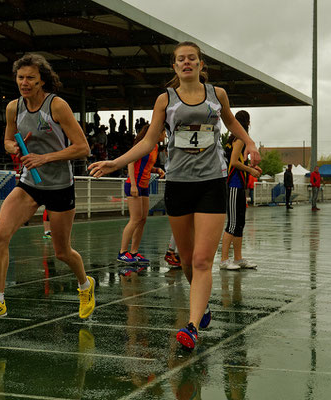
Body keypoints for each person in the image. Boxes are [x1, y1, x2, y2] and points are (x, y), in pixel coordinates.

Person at [88, 41, 260, 349]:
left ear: (200, 64)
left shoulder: (216, 94)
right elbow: (150, 140)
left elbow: (231, 122)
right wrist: (117, 161)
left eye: (192, 58)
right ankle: (201, 303)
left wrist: (249, 143)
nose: (187, 63)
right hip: (179, 183)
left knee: (204, 258)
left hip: (212, 182)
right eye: (181, 59)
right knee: (185, 258)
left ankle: (191, 326)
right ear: (174, 66)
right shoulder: (164, 100)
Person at [0, 53, 95, 322]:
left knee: (62, 252)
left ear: (42, 80)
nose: (24, 82)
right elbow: (7, 139)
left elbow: (83, 148)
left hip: (60, 185)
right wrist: (11, 146)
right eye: (20, 77)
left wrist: (45, 157)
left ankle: (85, 286)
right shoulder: (13, 108)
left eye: (30, 77)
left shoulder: (58, 106)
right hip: (30, 183)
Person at [117, 124, 166, 265]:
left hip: (144, 186)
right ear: (158, 132)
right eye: (164, 132)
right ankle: (122, 252)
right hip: (135, 185)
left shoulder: (155, 147)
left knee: (142, 219)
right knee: (135, 219)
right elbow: (130, 164)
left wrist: (157, 170)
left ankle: (134, 252)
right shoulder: (143, 145)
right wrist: (133, 184)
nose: (165, 135)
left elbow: (146, 166)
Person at [219, 110, 261, 271]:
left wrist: (250, 167)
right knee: (233, 223)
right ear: (247, 123)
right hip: (234, 185)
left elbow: (238, 161)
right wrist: (251, 171)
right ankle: (224, 259)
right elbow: (234, 162)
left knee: (239, 223)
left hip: (238, 184)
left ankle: (238, 258)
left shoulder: (235, 140)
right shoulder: (240, 140)